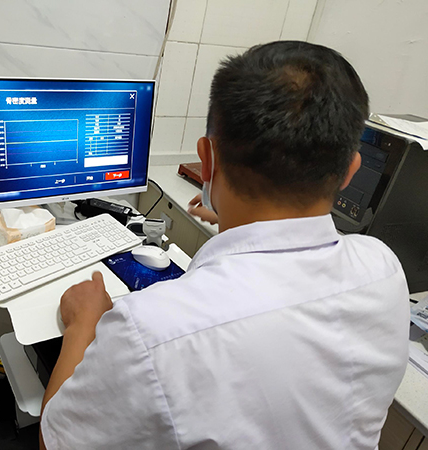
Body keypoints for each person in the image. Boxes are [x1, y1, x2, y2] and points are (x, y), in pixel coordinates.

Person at [38, 41, 409, 449]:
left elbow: (53, 443)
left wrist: (82, 324)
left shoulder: (152, 332)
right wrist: (233, 221)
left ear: (207, 161)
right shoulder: (384, 270)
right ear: (349, 172)